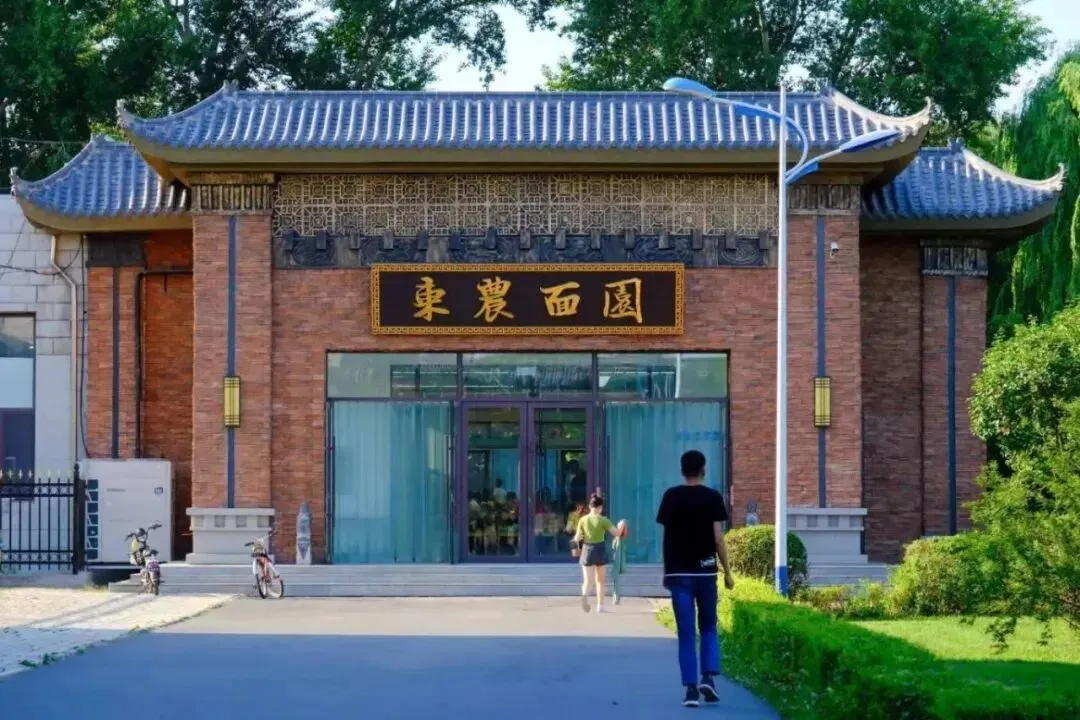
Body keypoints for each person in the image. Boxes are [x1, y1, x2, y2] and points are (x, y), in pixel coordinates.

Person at [656, 449, 735, 708]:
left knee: (686, 632)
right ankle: (708, 678)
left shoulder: (671, 496)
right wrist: (728, 572)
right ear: (703, 470)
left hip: (679, 573)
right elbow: (718, 539)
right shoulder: (712, 497)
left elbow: (666, 538)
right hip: (706, 572)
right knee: (709, 626)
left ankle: (690, 690)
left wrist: (667, 571)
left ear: (682, 470)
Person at [573, 493, 621, 613]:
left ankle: (584, 594)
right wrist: (622, 527)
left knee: (587, 581)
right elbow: (616, 533)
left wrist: (575, 549)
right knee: (600, 581)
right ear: (600, 507)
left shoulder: (583, 520)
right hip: (600, 550)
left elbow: (577, 537)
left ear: (590, 506)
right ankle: (600, 606)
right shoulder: (603, 520)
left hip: (587, 550)